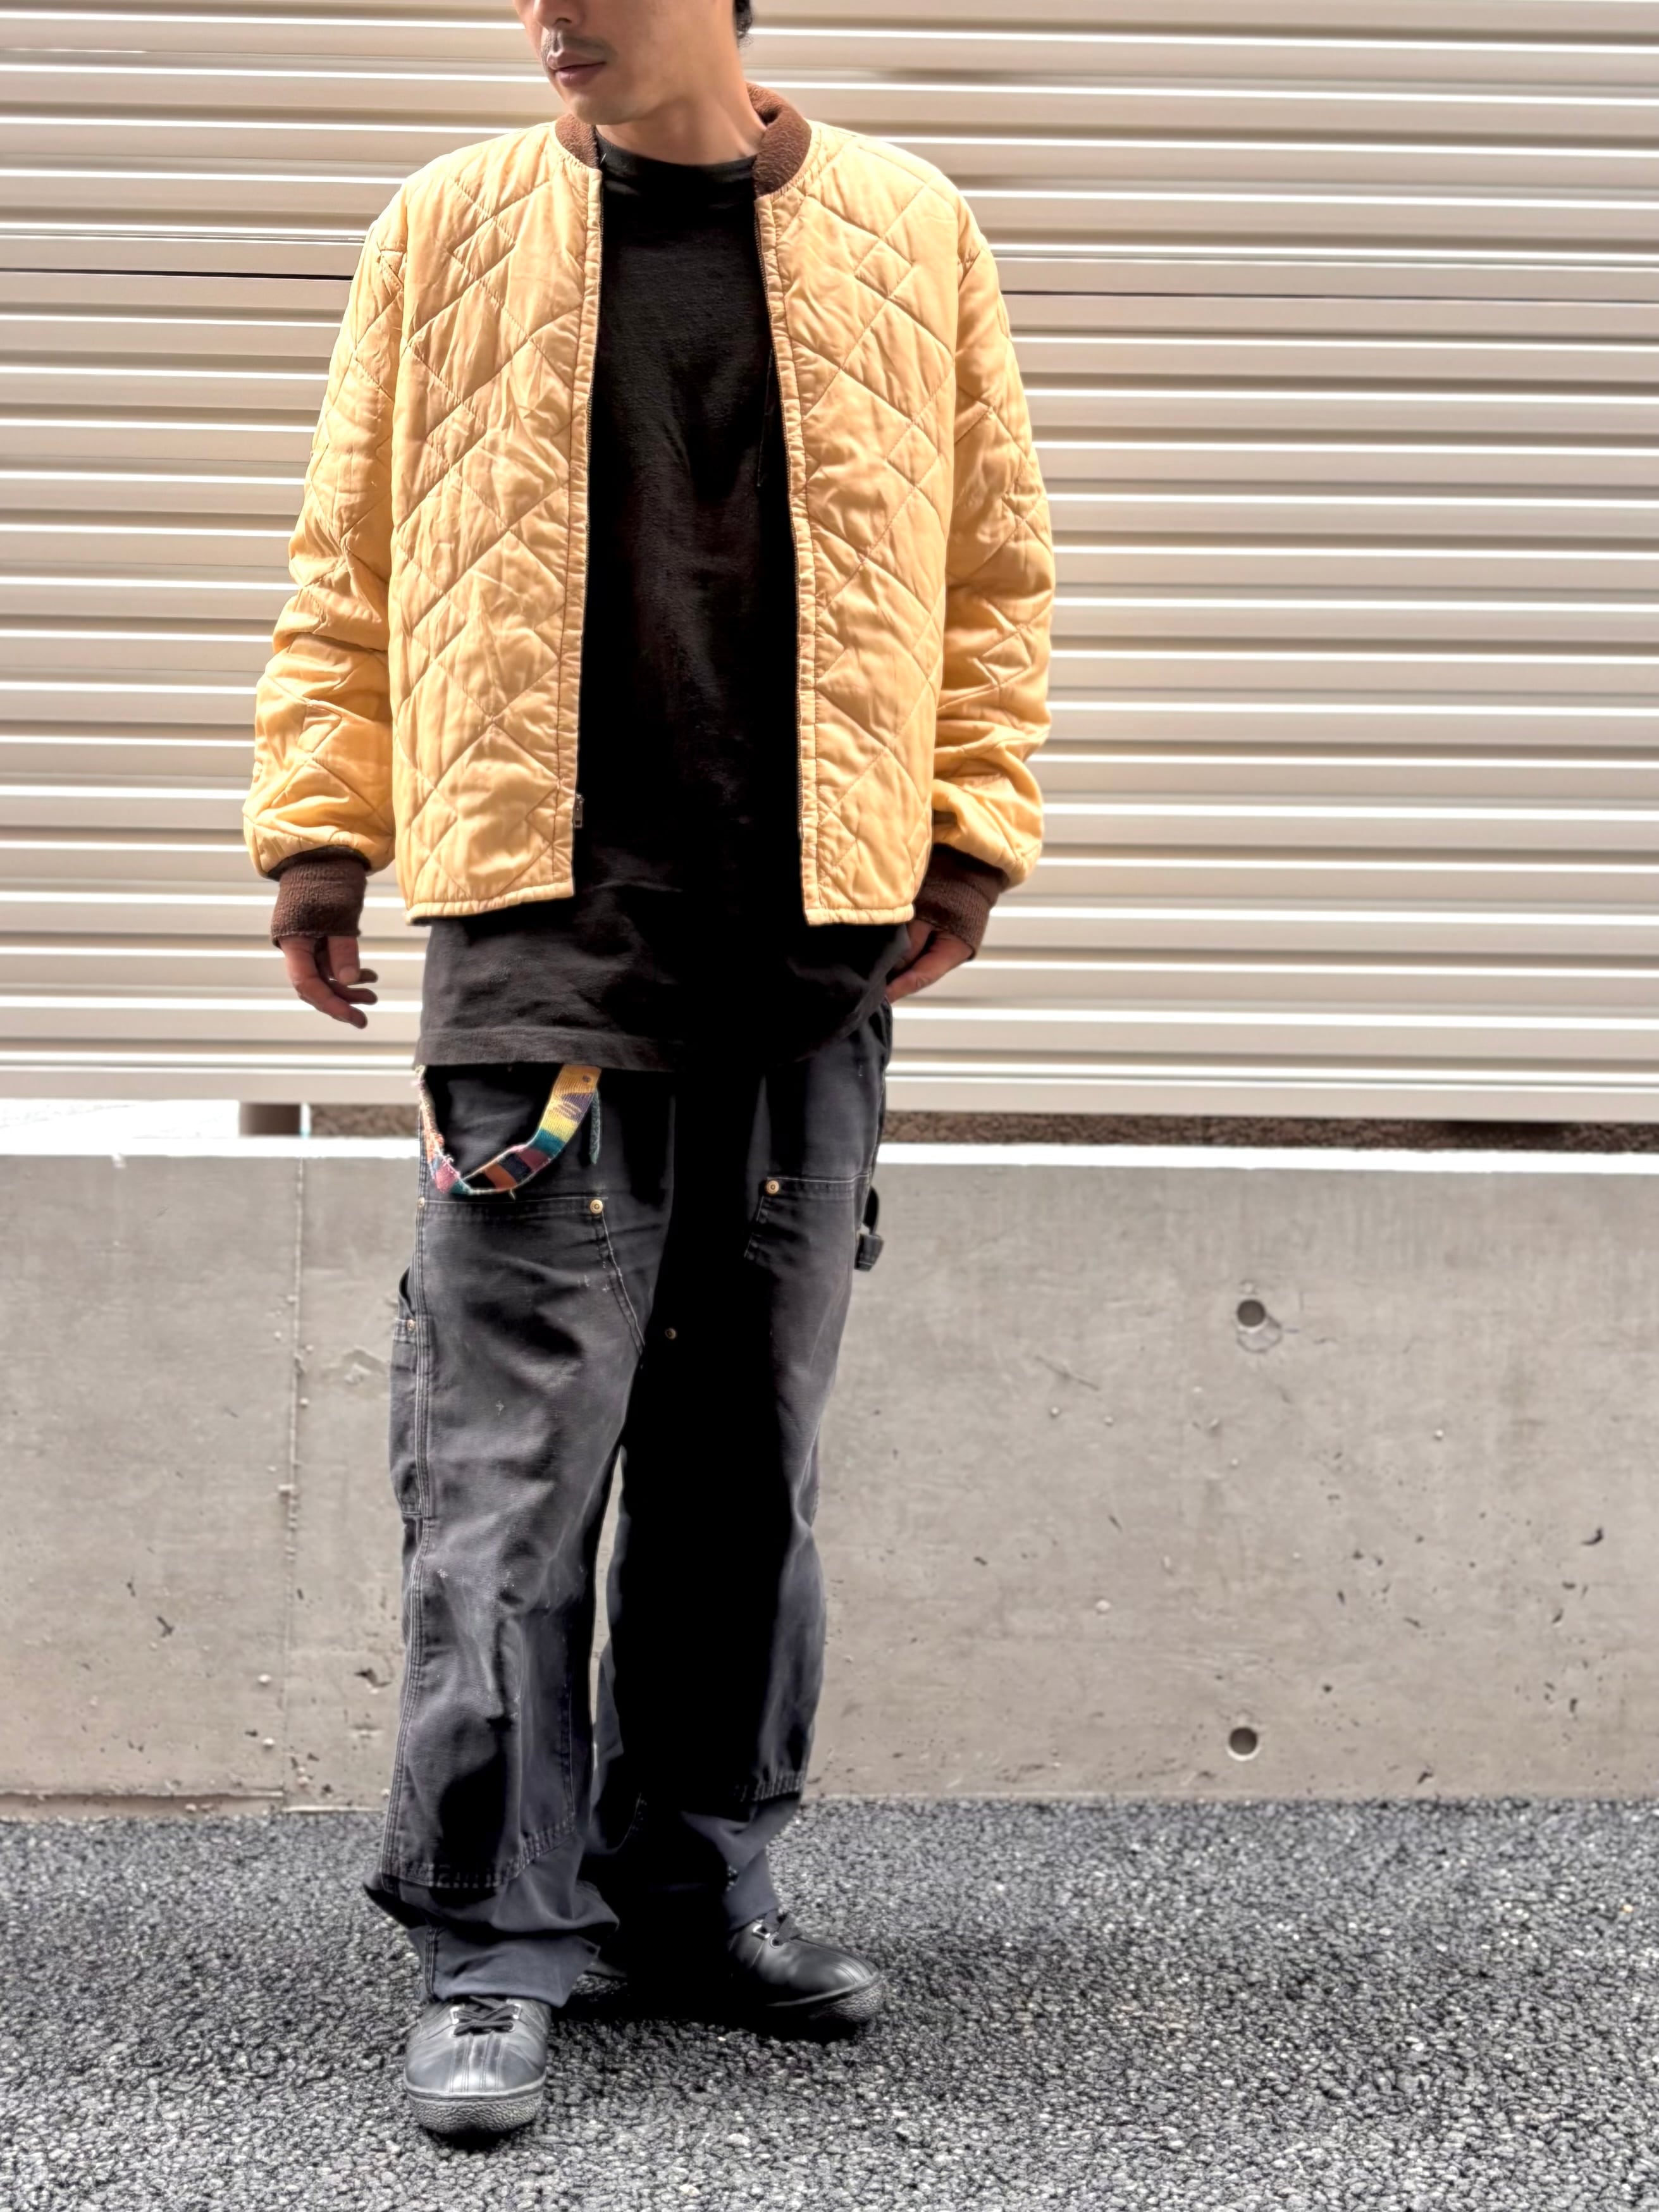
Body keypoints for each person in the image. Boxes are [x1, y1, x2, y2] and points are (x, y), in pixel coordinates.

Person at [244, 0, 1054, 2141]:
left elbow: (990, 568)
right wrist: (321, 830)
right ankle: (495, 1944)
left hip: (809, 945)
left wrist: (969, 830)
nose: (551, 16)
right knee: (509, 1475)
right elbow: (349, 553)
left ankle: (691, 1887)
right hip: (540, 940)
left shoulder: (909, 229)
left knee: (741, 1471)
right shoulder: (447, 228)